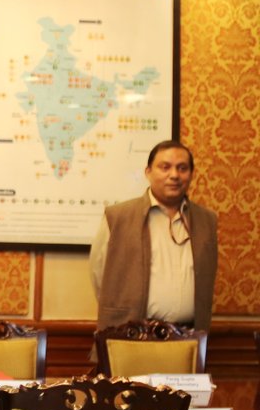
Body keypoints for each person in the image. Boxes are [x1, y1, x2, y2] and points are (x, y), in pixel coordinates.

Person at [90, 140, 218, 331]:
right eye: (165, 167)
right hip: (131, 334)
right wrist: (120, 307)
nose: (174, 175)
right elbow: (99, 274)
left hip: (189, 334)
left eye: (182, 168)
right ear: (148, 172)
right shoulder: (118, 217)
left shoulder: (207, 220)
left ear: (191, 174)